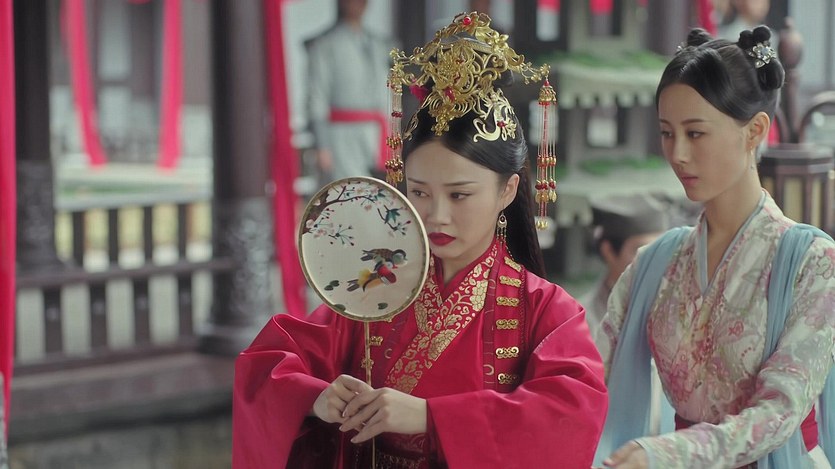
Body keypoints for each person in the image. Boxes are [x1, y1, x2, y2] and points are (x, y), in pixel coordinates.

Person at [233, 12, 608, 469]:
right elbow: (266, 365)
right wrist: (317, 397)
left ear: (507, 191)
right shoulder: (376, 287)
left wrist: (433, 418)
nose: (436, 215)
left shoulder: (546, 311)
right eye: (419, 192)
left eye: (460, 194)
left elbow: (570, 413)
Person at [597, 26, 835, 469]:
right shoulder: (656, 263)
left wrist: (672, 453)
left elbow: (780, 410)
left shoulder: (811, 262)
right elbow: (590, 373)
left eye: (695, 133)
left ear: (754, 131)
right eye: (667, 133)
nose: (677, 154)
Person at [305, 0, 392, 183]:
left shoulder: (380, 43)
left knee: (379, 191)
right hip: (341, 135)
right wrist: (322, 144)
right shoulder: (324, 44)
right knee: (348, 189)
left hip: (377, 131)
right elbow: (317, 98)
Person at [581, 192, 670, 355]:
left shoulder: (677, 307)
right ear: (608, 251)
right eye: (642, 251)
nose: (654, 260)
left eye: (661, 248)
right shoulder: (582, 321)